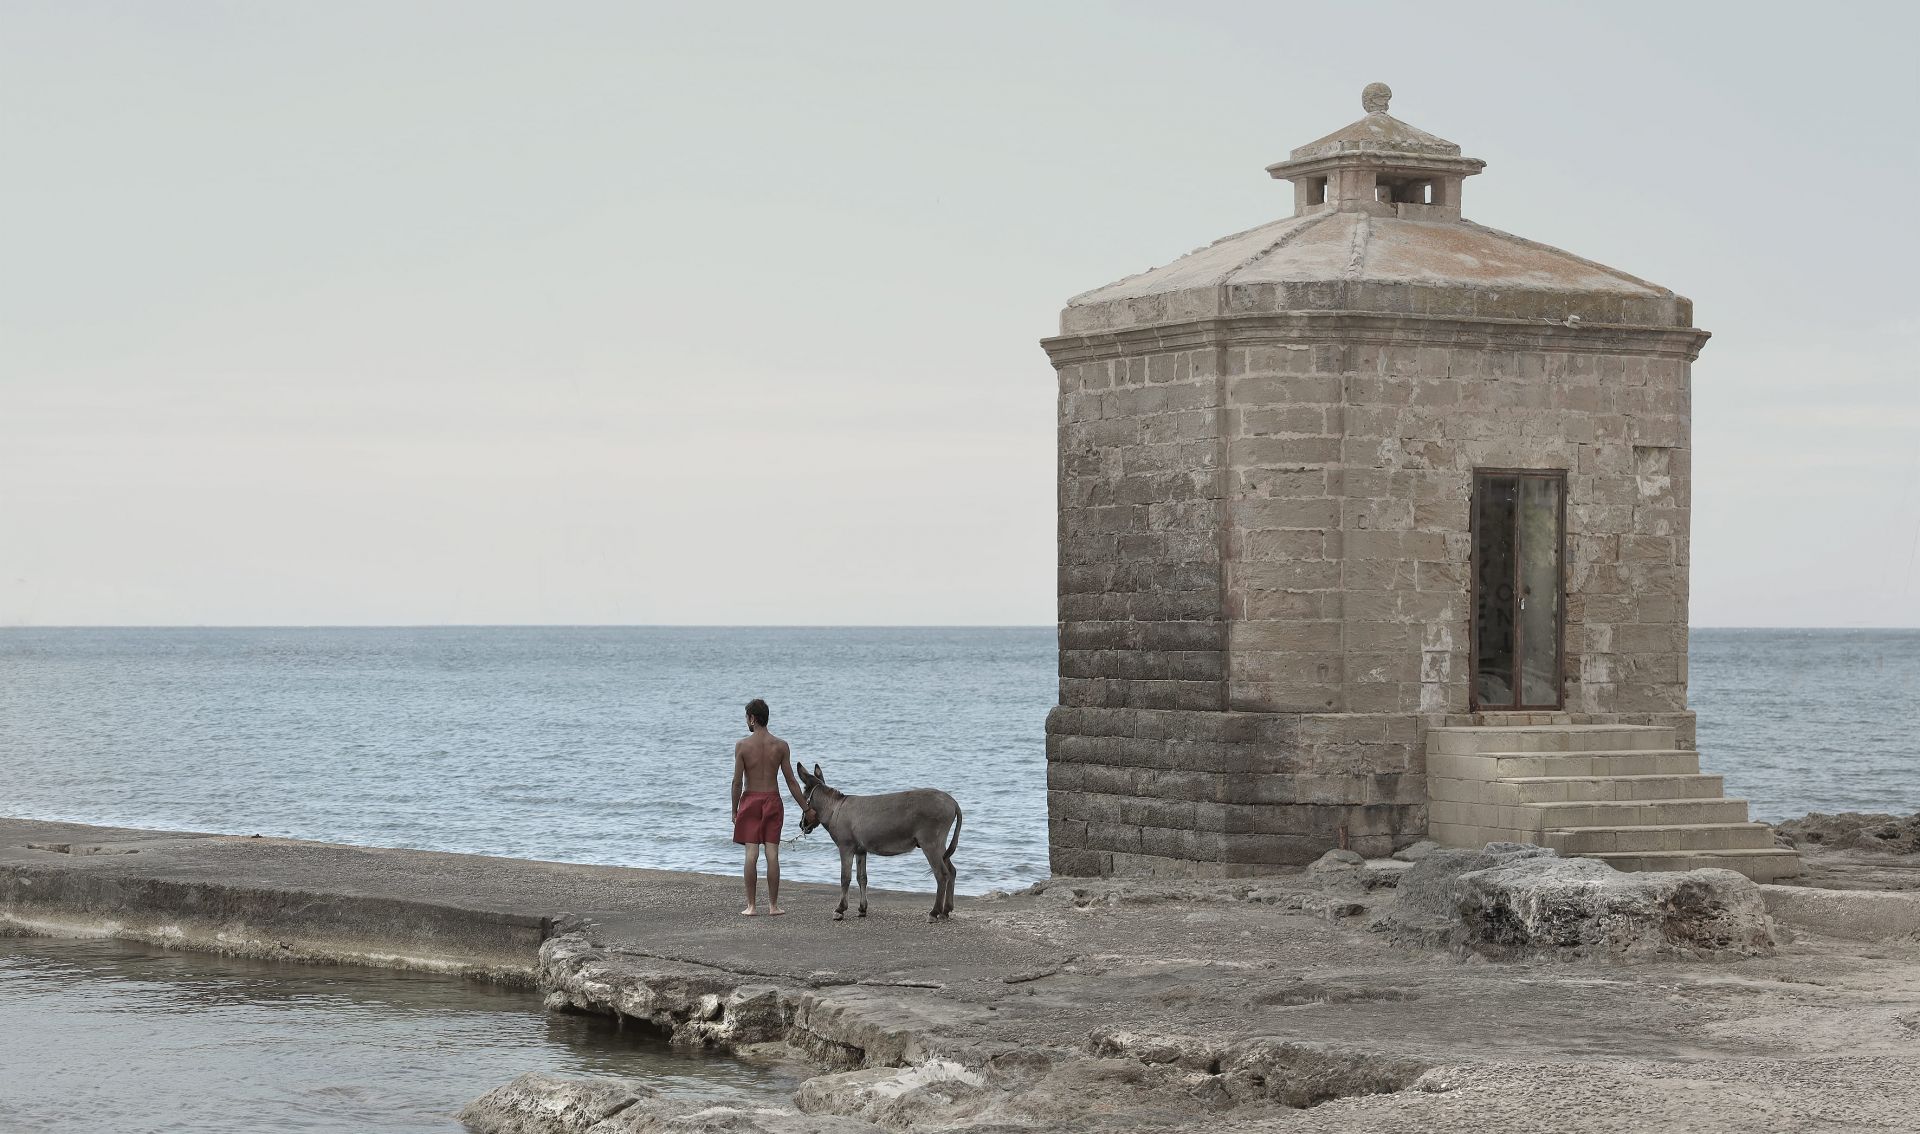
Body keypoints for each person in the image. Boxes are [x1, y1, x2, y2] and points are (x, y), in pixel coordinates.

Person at [730, 698, 808, 916]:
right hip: (773, 800)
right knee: (772, 853)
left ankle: (751, 906)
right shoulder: (781, 746)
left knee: (751, 853)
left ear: (752, 718)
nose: (746, 721)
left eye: (747, 717)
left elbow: (737, 782)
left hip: (750, 801)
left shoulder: (742, 746)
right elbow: (791, 781)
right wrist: (806, 808)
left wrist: (734, 809)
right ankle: (773, 906)